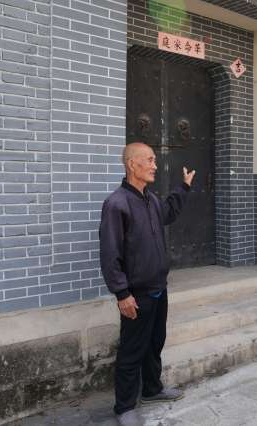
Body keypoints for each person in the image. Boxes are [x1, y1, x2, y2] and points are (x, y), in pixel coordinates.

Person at [99, 142, 196, 426]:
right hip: (136, 295)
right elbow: (110, 254)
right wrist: (122, 293)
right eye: (150, 160)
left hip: (158, 288)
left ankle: (152, 389)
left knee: (154, 343)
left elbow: (168, 212)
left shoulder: (150, 199)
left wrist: (184, 187)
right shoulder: (116, 204)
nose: (155, 165)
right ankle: (124, 407)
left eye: (154, 160)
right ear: (132, 164)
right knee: (132, 350)